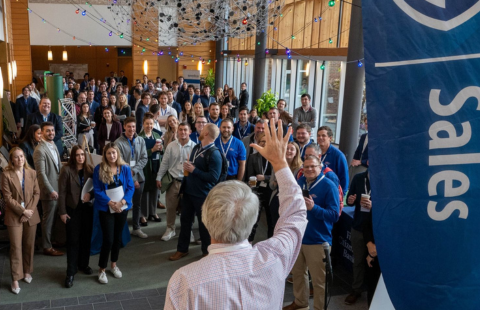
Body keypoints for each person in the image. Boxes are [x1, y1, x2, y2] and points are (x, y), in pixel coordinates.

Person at [165, 120, 308, 309]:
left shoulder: (184, 281)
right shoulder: (274, 257)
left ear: (206, 221)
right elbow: (296, 214)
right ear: (252, 221)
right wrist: (280, 163)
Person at [283, 155, 340, 310]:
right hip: (298, 238)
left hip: (318, 240)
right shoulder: (299, 182)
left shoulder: (329, 186)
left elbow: (334, 215)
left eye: (312, 166)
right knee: (298, 275)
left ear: (320, 167)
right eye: (306, 167)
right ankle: (300, 302)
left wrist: (314, 208)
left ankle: (319, 308)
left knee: (319, 281)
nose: (309, 169)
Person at [169, 124, 223, 261]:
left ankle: (206, 252)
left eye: (202, 129)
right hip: (188, 192)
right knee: (185, 221)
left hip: (202, 195)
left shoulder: (215, 154)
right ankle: (182, 249)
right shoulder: (197, 147)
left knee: (204, 225)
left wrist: (194, 170)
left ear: (206, 134)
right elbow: (192, 166)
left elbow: (213, 178)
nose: (199, 130)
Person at [93, 142, 134, 284]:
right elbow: (97, 190)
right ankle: (102, 269)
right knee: (108, 239)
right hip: (106, 208)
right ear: (105, 155)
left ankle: (114, 265)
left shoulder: (125, 168)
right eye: (109, 153)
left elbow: (130, 187)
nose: (112, 155)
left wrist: (122, 203)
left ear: (118, 154)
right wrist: (110, 203)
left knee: (117, 238)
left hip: (122, 207)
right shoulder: (99, 168)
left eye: (114, 153)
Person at [2, 147, 40, 294]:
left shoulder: (32, 173)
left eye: (22, 156)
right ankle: (15, 279)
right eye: (16, 157)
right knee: (16, 247)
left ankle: (27, 271)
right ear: (11, 159)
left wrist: (28, 212)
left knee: (29, 244)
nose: (20, 159)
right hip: (14, 215)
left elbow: (36, 193)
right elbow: (7, 198)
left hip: (31, 214)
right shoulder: (6, 175)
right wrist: (23, 211)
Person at [58, 146, 95, 288]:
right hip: (72, 210)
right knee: (73, 241)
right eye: (78, 155)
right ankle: (71, 272)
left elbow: (95, 187)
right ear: (73, 156)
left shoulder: (89, 168)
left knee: (86, 238)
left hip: (87, 209)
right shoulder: (66, 170)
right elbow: (61, 192)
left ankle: (83, 265)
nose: (80, 157)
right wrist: (62, 212)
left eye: (82, 155)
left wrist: (90, 195)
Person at [157, 122, 196, 241]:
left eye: (185, 130)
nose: (183, 132)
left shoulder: (195, 146)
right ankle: (170, 229)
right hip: (173, 181)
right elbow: (164, 163)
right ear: (177, 131)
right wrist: (158, 177)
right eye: (180, 130)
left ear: (190, 132)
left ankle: (187, 230)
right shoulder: (171, 146)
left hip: (188, 182)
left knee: (187, 209)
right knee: (170, 207)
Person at [33, 122, 64, 256]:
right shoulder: (39, 150)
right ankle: (46, 246)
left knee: (54, 217)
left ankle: (52, 240)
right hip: (49, 191)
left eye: (52, 130)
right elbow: (41, 174)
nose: (51, 133)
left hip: (57, 188)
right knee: (48, 218)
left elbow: (58, 166)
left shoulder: (53, 145)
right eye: (47, 131)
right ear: (42, 133)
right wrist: (51, 190)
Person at [115, 117, 148, 238]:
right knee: (124, 204)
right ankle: (122, 231)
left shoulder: (140, 140)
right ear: (124, 127)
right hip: (125, 179)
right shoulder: (118, 143)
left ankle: (136, 228)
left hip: (139, 176)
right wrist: (132, 179)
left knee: (137, 204)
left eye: (133, 127)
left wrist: (134, 171)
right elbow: (120, 162)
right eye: (129, 126)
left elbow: (144, 158)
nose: (131, 129)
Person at [344, 169, 371, 305]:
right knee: (358, 261)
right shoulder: (358, 178)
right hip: (358, 227)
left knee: (375, 264)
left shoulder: (385, 178)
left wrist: (373, 206)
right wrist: (350, 200)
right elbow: (350, 200)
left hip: (375, 230)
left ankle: (373, 293)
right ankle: (356, 290)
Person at [245, 132, 275, 240]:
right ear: (258, 143)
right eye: (262, 141)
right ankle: (249, 243)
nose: (264, 144)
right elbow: (250, 175)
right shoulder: (253, 157)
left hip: (271, 192)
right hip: (257, 192)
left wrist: (265, 178)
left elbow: (275, 176)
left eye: (267, 142)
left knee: (271, 221)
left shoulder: (275, 158)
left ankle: (271, 243)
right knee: (253, 220)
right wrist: (252, 188)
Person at [269, 141, 303, 228]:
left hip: (292, 201)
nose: (288, 151)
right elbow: (271, 185)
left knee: (287, 226)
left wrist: (281, 182)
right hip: (277, 198)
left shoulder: (301, 168)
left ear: (296, 153)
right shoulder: (277, 165)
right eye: (287, 148)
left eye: (292, 149)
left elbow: (298, 186)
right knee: (274, 225)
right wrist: (276, 183)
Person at [139, 113, 163, 226]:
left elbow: (162, 153)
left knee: (155, 189)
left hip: (156, 165)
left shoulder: (157, 136)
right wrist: (151, 151)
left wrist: (161, 149)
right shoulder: (139, 137)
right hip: (144, 167)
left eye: (151, 124)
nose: (149, 126)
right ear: (143, 124)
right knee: (144, 191)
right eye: (147, 123)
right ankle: (143, 215)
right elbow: (138, 155)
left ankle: (153, 212)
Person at [317, 126, 349, 191]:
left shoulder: (338, 155)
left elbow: (344, 177)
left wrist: (341, 195)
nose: (320, 138)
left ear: (330, 138)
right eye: (318, 135)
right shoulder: (315, 152)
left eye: (323, 136)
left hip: (332, 190)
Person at [349, 116, 369, 184]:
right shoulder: (363, 136)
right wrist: (354, 160)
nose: (367, 125)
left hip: (368, 168)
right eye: (366, 124)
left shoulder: (378, 140)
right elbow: (358, 151)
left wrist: (361, 162)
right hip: (359, 166)